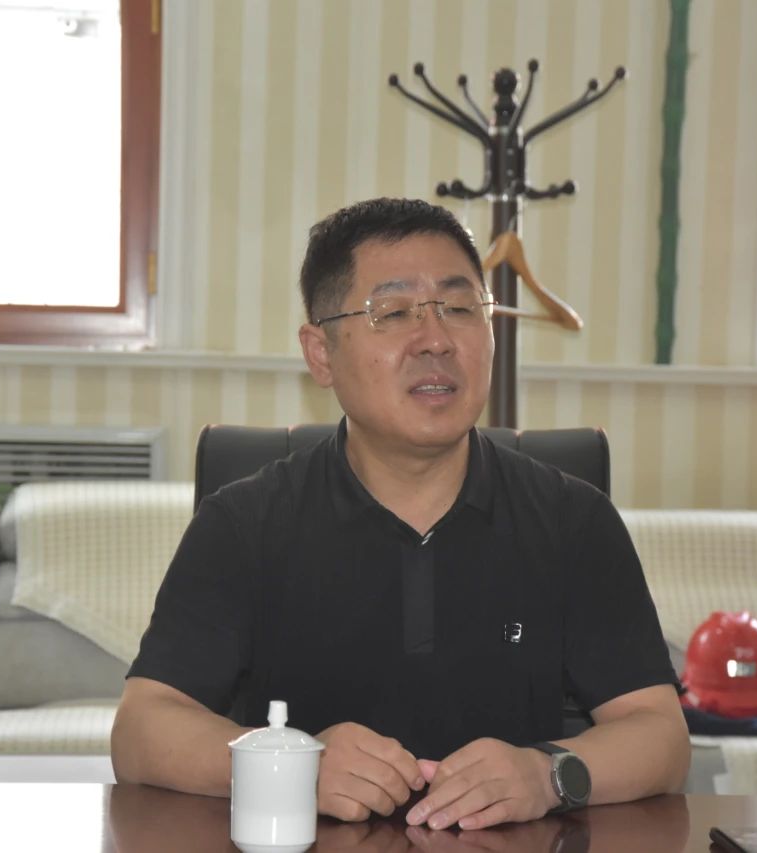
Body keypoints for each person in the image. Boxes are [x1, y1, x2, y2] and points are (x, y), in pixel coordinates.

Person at [110, 197, 689, 830]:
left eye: (461, 308)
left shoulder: (572, 519)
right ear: (321, 353)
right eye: (392, 313)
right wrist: (289, 766)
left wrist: (547, 774)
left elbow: (659, 736)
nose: (436, 340)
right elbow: (142, 729)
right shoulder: (245, 523)